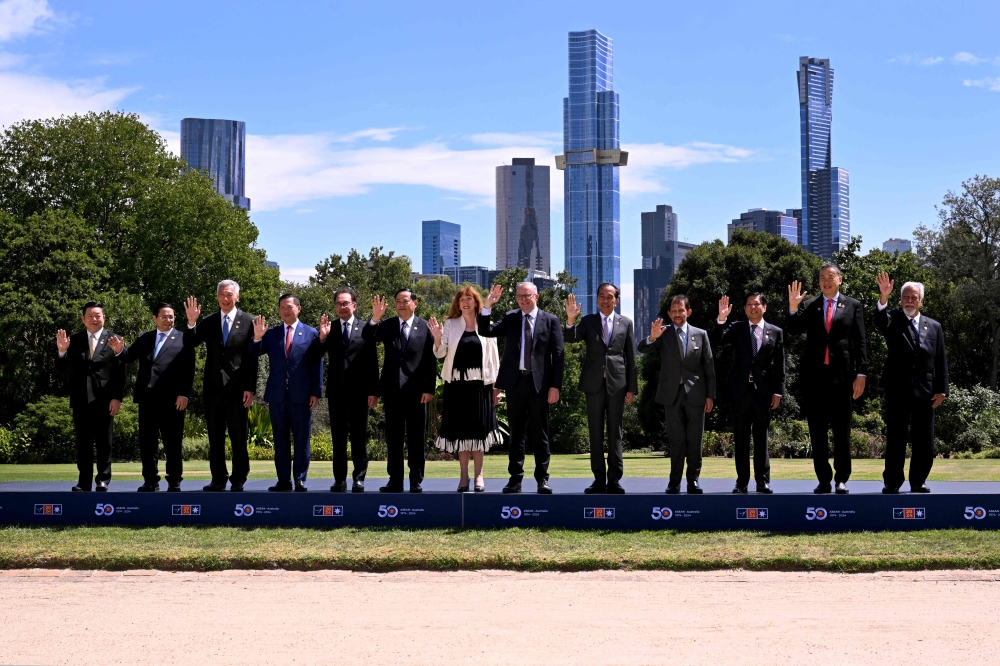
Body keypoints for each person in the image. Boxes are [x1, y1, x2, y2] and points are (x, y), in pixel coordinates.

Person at [786, 264, 868, 494]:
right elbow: (793, 330)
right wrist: (793, 308)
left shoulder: (853, 306)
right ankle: (823, 479)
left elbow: (860, 342)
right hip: (815, 380)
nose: (826, 281)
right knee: (817, 432)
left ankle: (842, 479)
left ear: (839, 280)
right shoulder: (811, 305)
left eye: (830, 277)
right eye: (822, 277)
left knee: (842, 432)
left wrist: (861, 373)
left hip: (843, 380)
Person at [479, 281, 564, 495]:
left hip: (540, 386)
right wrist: (488, 305)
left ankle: (542, 480)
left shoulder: (550, 320)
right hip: (515, 383)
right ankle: (515, 480)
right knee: (516, 434)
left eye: (527, 296)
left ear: (536, 296)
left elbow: (559, 356)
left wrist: (555, 386)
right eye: (520, 296)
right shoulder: (511, 317)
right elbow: (485, 330)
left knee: (540, 433)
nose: (523, 299)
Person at [108, 303, 195, 492]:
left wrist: (184, 393)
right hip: (147, 400)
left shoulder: (183, 338)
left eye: (171, 316)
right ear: (154, 318)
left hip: (173, 401)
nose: (168, 320)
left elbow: (188, 369)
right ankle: (150, 481)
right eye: (164, 316)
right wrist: (119, 350)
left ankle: (174, 481)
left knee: (173, 443)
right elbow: (128, 356)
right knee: (147, 444)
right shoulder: (144, 338)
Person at [874, 273, 948, 494]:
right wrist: (883, 297)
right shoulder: (893, 319)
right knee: (896, 438)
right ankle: (892, 482)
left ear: (921, 301)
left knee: (924, 440)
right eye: (905, 297)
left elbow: (941, 360)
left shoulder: (934, 326)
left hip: (925, 392)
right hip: (897, 390)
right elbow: (879, 320)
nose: (909, 300)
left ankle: (918, 481)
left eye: (913, 297)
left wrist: (942, 389)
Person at [184, 281, 258, 492]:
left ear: (237, 297)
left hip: (238, 390)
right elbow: (190, 344)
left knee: (238, 436)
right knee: (215, 437)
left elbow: (252, 359)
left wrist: (250, 387)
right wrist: (191, 323)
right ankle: (218, 478)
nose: (225, 299)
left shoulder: (249, 321)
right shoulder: (208, 322)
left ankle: (238, 478)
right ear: (217, 297)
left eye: (229, 294)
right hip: (213, 389)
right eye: (221, 295)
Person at [563, 284, 638, 494]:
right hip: (593, 385)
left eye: (610, 297)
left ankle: (614, 480)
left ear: (617, 300)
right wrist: (570, 319)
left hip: (618, 385)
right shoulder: (588, 321)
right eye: (602, 296)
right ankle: (598, 480)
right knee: (595, 433)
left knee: (616, 433)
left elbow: (631, 357)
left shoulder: (626, 323)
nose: (605, 300)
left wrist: (632, 387)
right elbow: (571, 338)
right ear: (596, 299)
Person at [637, 295, 715, 494]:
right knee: (676, 440)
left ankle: (693, 481)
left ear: (688, 312)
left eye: (681, 310)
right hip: (671, 395)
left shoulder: (701, 334)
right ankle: (674, 482)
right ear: (669, 313)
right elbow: (642, 348)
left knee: (695, 440)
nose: (677, 314)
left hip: (696, 395)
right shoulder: (663, 334)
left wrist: (710, 396)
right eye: (674, 311)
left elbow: (709, 368)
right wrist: (652, 337)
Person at [427, 286, 503, 493]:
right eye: (462, 299)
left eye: (469, 298)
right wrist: (436, 337)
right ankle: (463, 476)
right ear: (457, 304)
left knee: (478, 433)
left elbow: (495, 358)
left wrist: (497, 388)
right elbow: (440, 354)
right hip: (457, 387)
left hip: (481, 387)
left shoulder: (486, 324)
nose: (465, 302)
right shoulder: (451, 324)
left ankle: (479, 475)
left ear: (476, 301)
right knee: (461, 434)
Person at [362, 289, 437, 493]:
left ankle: (416, 480)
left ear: (415, 303)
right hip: (392, 390)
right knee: (393, 438)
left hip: (417, 392)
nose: (401, 305)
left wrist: (429, 388)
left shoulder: (426, 327)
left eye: (405, 301)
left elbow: (431, 361)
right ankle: (395, 480)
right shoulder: (387, 326)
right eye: (397, 301)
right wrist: (375, 318)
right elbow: (367, 337)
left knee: (416, 438)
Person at [714, 293, 785, 494]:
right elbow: (718, 339)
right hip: (739, 392)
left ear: (765, 307)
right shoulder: (736, 328)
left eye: (756, 304)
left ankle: (763, 482)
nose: (752, 308)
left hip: (763, 394)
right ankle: (742, 482)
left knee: (762, 440)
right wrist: (721, 318)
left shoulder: (776, 332)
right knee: (741, 439)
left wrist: (778, 392)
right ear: (744, 308)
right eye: (748, 305)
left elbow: (780, 365)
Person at [252, 294, 323, 492]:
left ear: (298, 309)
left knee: (302, 440)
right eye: (282, 307)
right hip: (277, 396)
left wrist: (316, 392)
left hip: (301, 396)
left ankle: (300, 479)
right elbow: (253, 352)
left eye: (289, 306)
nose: (285, 310)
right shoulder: (271, 334)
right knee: (280, 440)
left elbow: (317, 364)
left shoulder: (311, 333)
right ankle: (283, 480)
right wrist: (257, 337)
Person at [55, 302, 126, 492]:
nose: (94, 319)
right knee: (83, 444)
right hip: (81, 400)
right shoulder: (75, 340)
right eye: (90, 316)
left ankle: (103, 480)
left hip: (105, 400)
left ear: (104, 317)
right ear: (83, 319)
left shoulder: (114, 339)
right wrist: (62, 351)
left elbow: (120, 372)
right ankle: (84, 481)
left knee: (105, 443)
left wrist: (117, 398)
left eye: (98, 315)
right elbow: (61, 369)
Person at [313, 287, 379, 492]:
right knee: (338, 439)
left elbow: (373, 363)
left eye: (346, 303)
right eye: (338, 304)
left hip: (360, 394)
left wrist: (373, 391)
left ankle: (359, 478)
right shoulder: (329, 328)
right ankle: (339, 480)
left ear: (354, 305)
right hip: (337, 393)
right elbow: (314, 356)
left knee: (359, 438)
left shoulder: (365, 328)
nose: (342, 307)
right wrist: (321, 338)